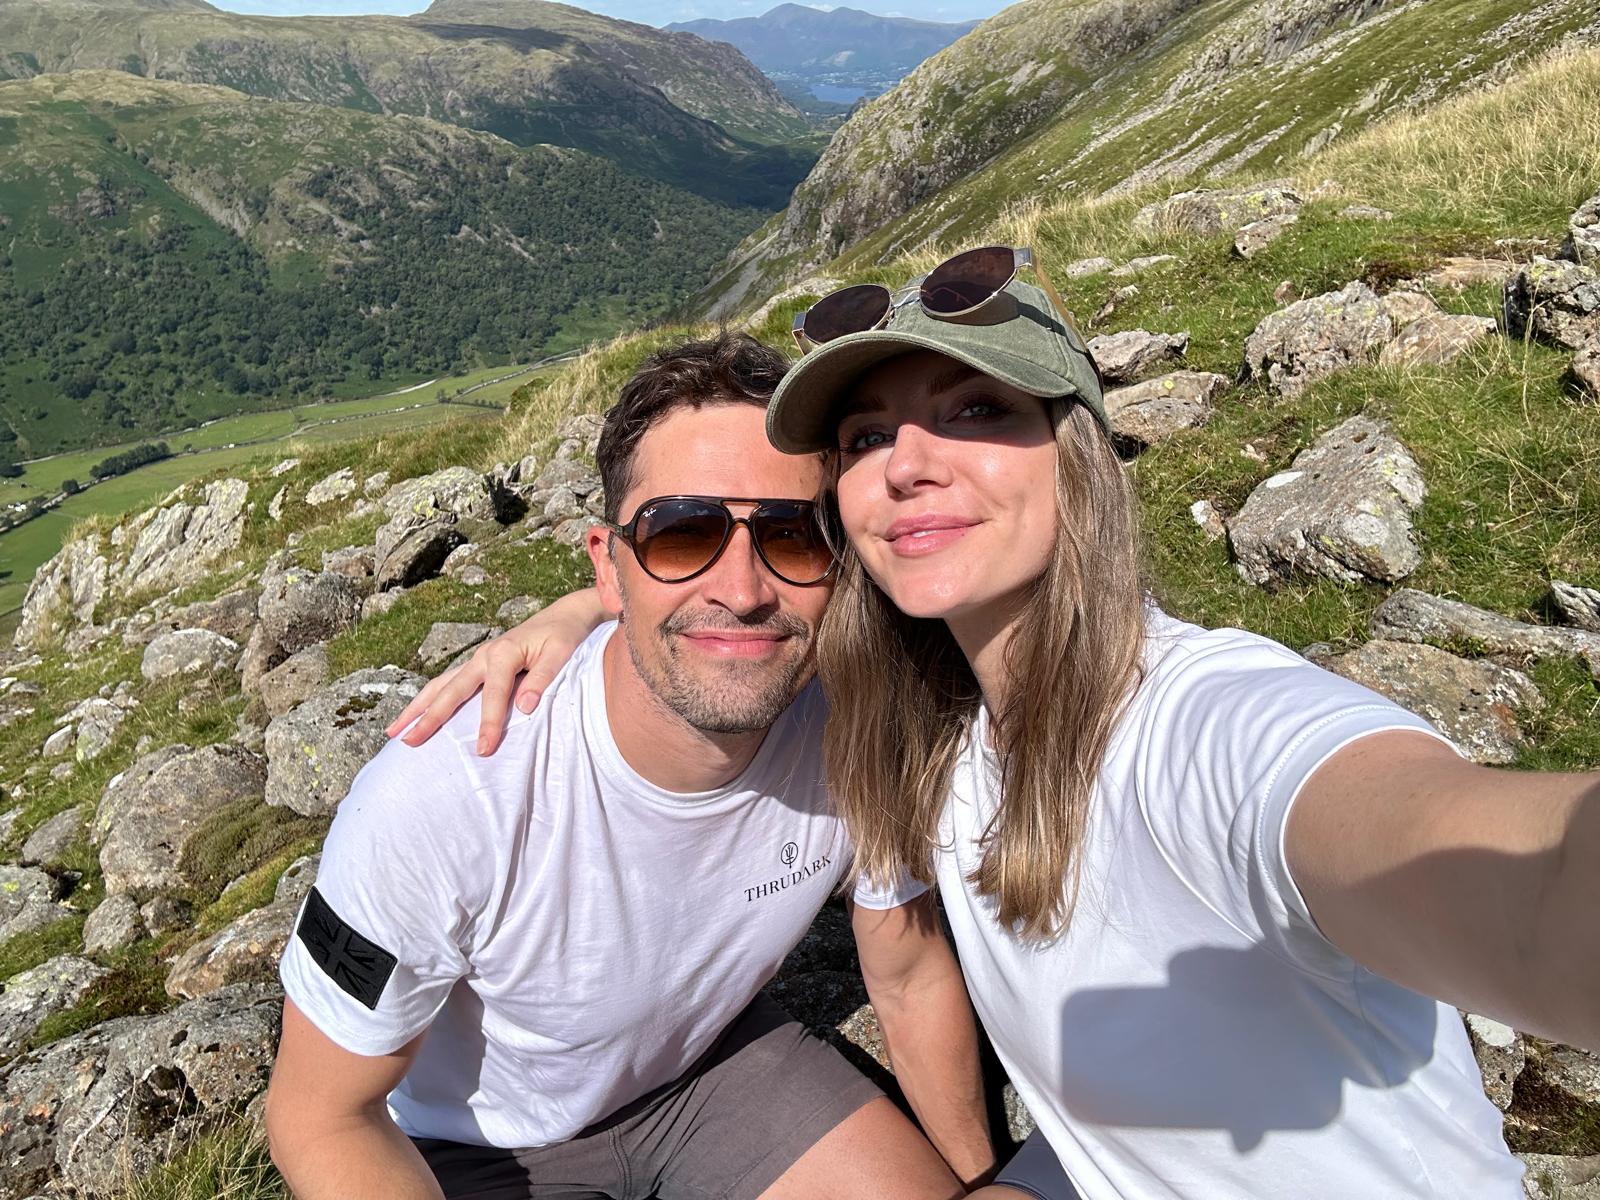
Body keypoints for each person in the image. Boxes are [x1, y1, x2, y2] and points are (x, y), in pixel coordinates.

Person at [394, 247, 1600, 1199]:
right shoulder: (916, 733)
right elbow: (899, 944)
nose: (907, 465)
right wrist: (595, 608)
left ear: (1077, 457)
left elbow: (1506, 875)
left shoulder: (1211, 726)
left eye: (974, 411)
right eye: (866, 440)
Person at [264, 333, 1000, 1200]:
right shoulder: (445, 794)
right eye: (682, 534)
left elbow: (908, 973)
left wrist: (981, 1181)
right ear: (609, 570)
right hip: (472, 1149)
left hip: (713, 1071)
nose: (743, 589)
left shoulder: (857, 723)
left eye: (795, 536)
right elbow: (317, 1117)